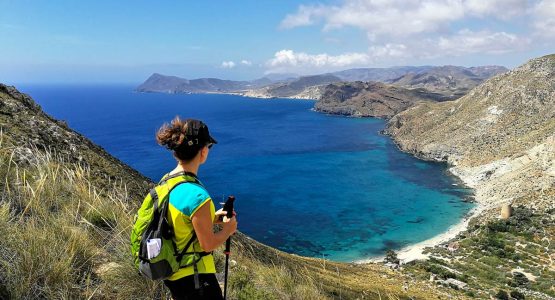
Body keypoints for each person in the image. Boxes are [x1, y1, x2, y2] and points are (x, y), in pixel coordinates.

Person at [156, 116, 237, 300]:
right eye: (209, 147)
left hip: (173, 273)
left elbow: (181, 223)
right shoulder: (197, 196)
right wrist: (227, 230)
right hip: (196, 278)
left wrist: (214, 217)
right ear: (203, 152)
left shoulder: (167, 182)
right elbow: (207, 244)